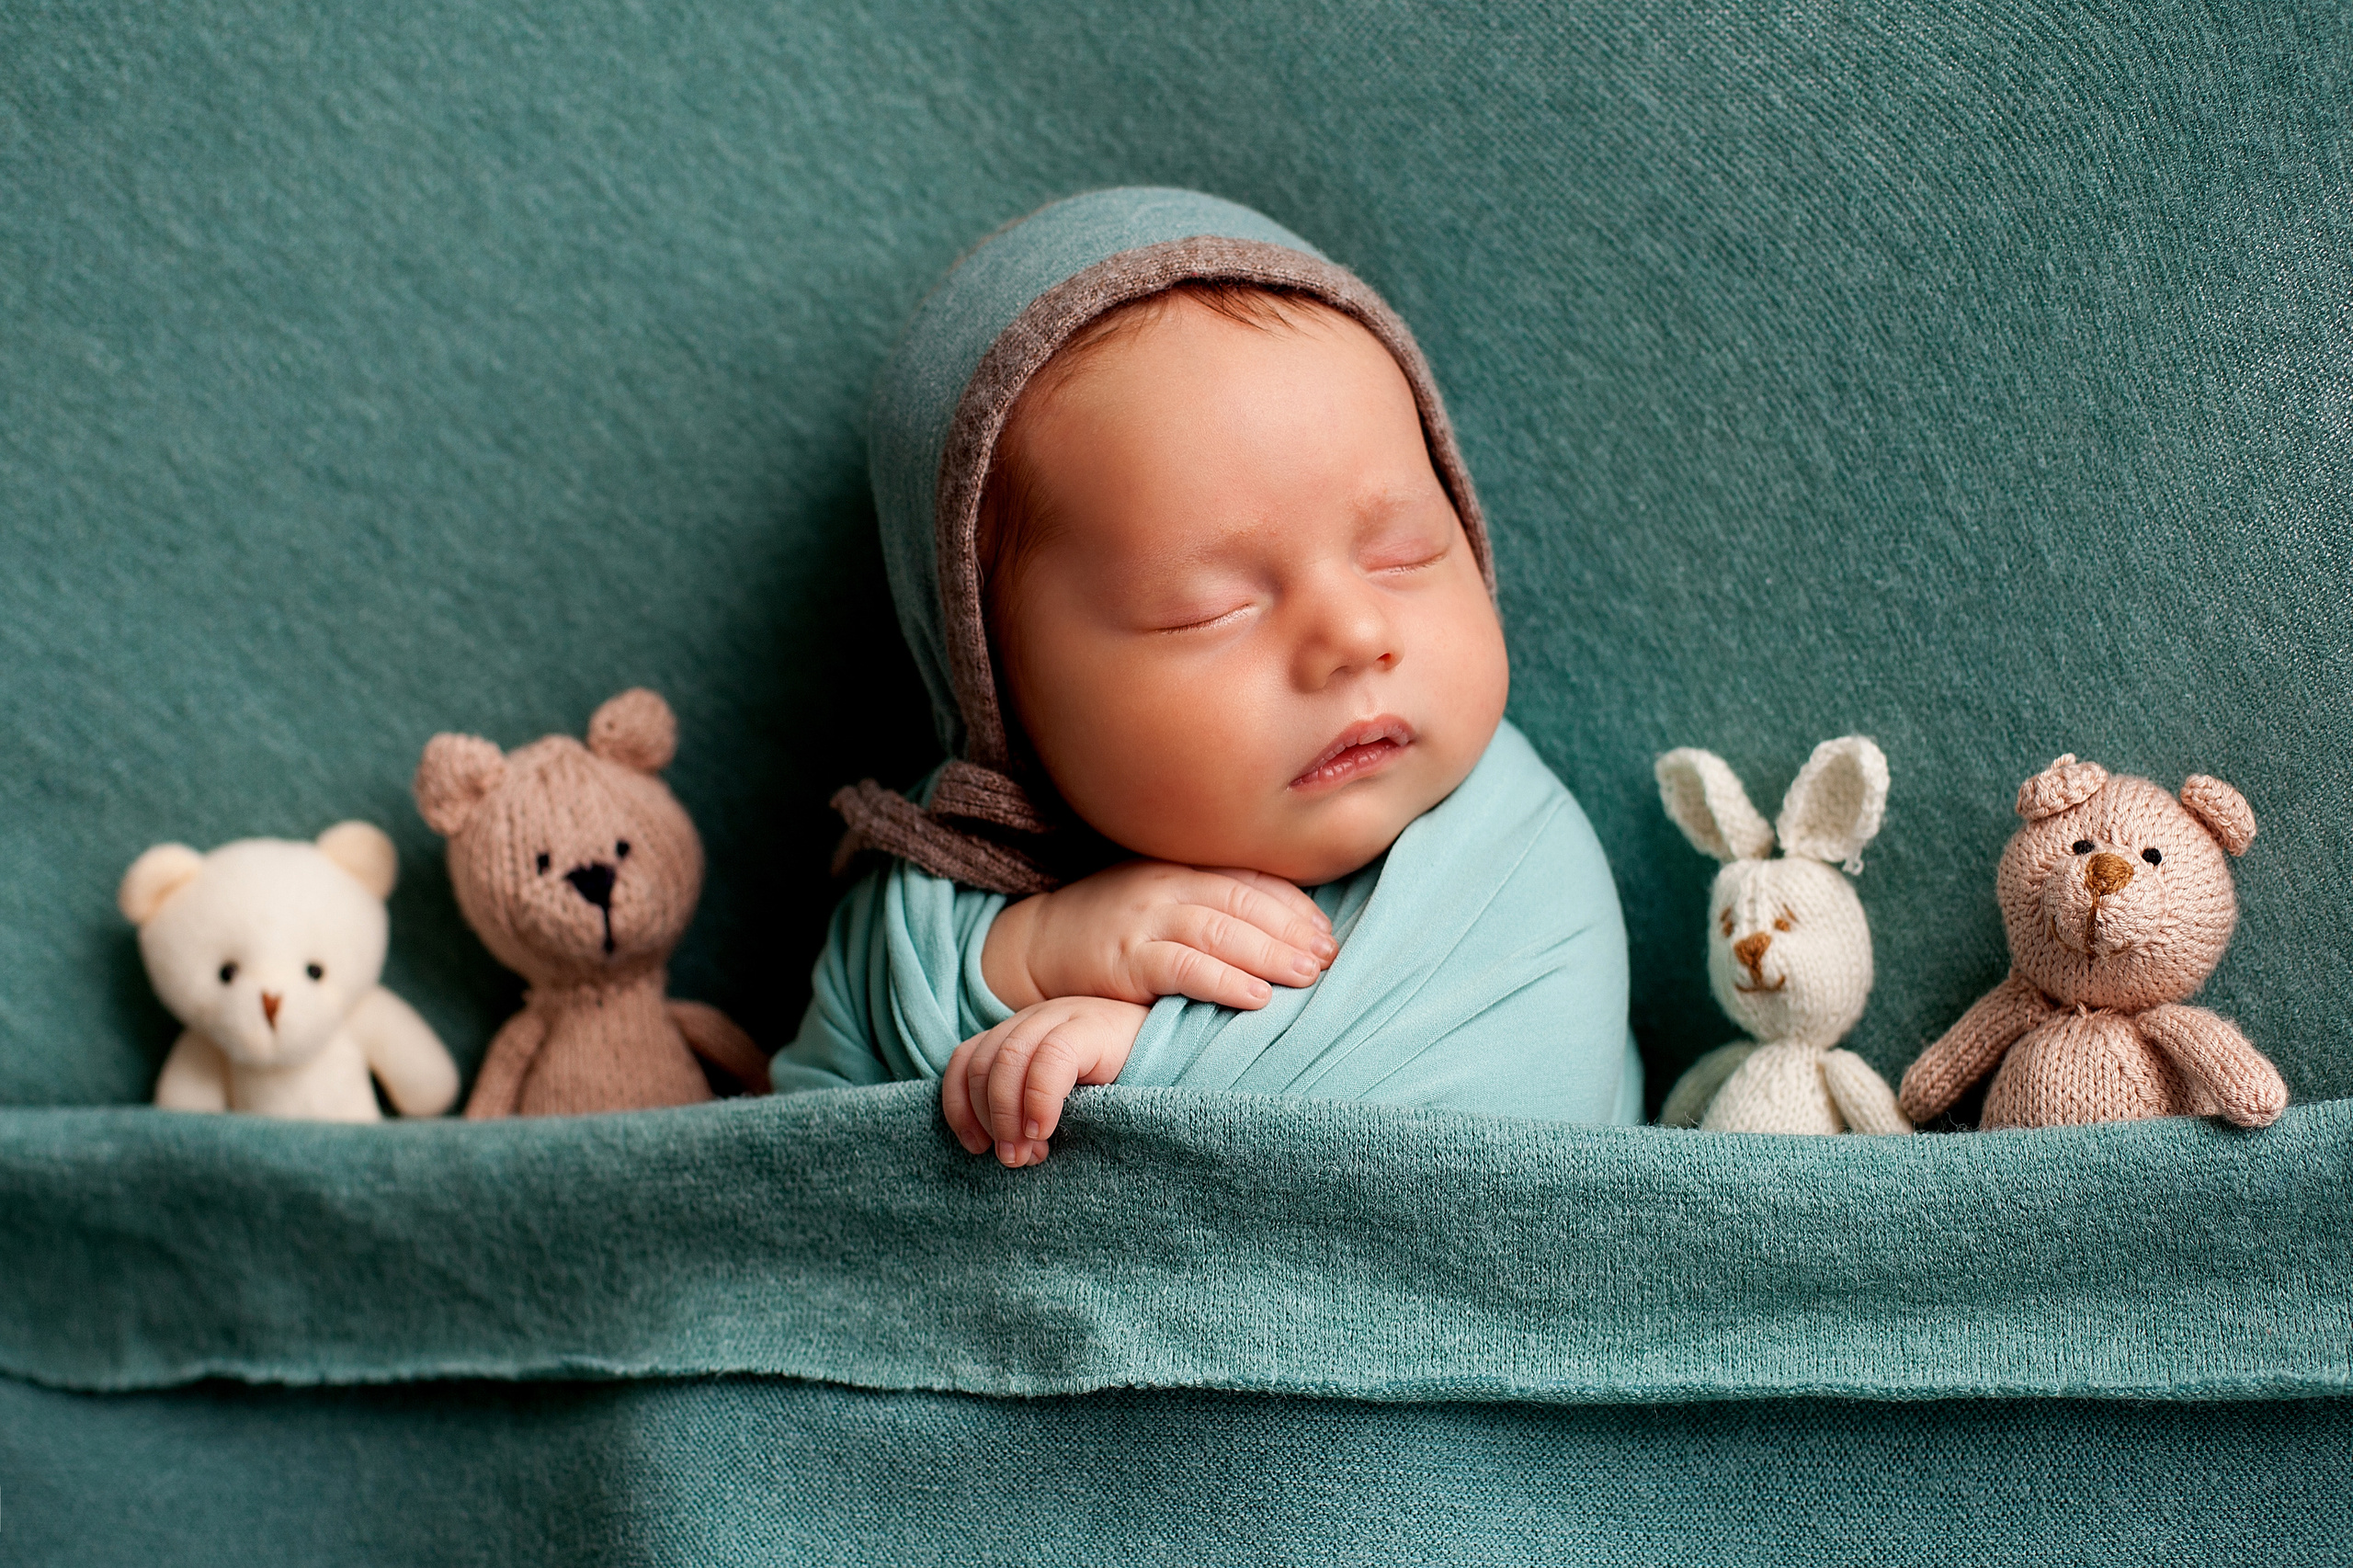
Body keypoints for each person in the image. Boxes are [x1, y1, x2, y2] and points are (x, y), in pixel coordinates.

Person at [771, 188, 1638, 1163]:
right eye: (1208, 609)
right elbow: (805, 1154)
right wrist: (1025, 957)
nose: (1355, 633)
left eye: (1401, 553)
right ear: (995, 687)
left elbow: (1502, 1153)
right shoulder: (932, 905)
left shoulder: (1512, 854)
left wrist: (1134, 1062)